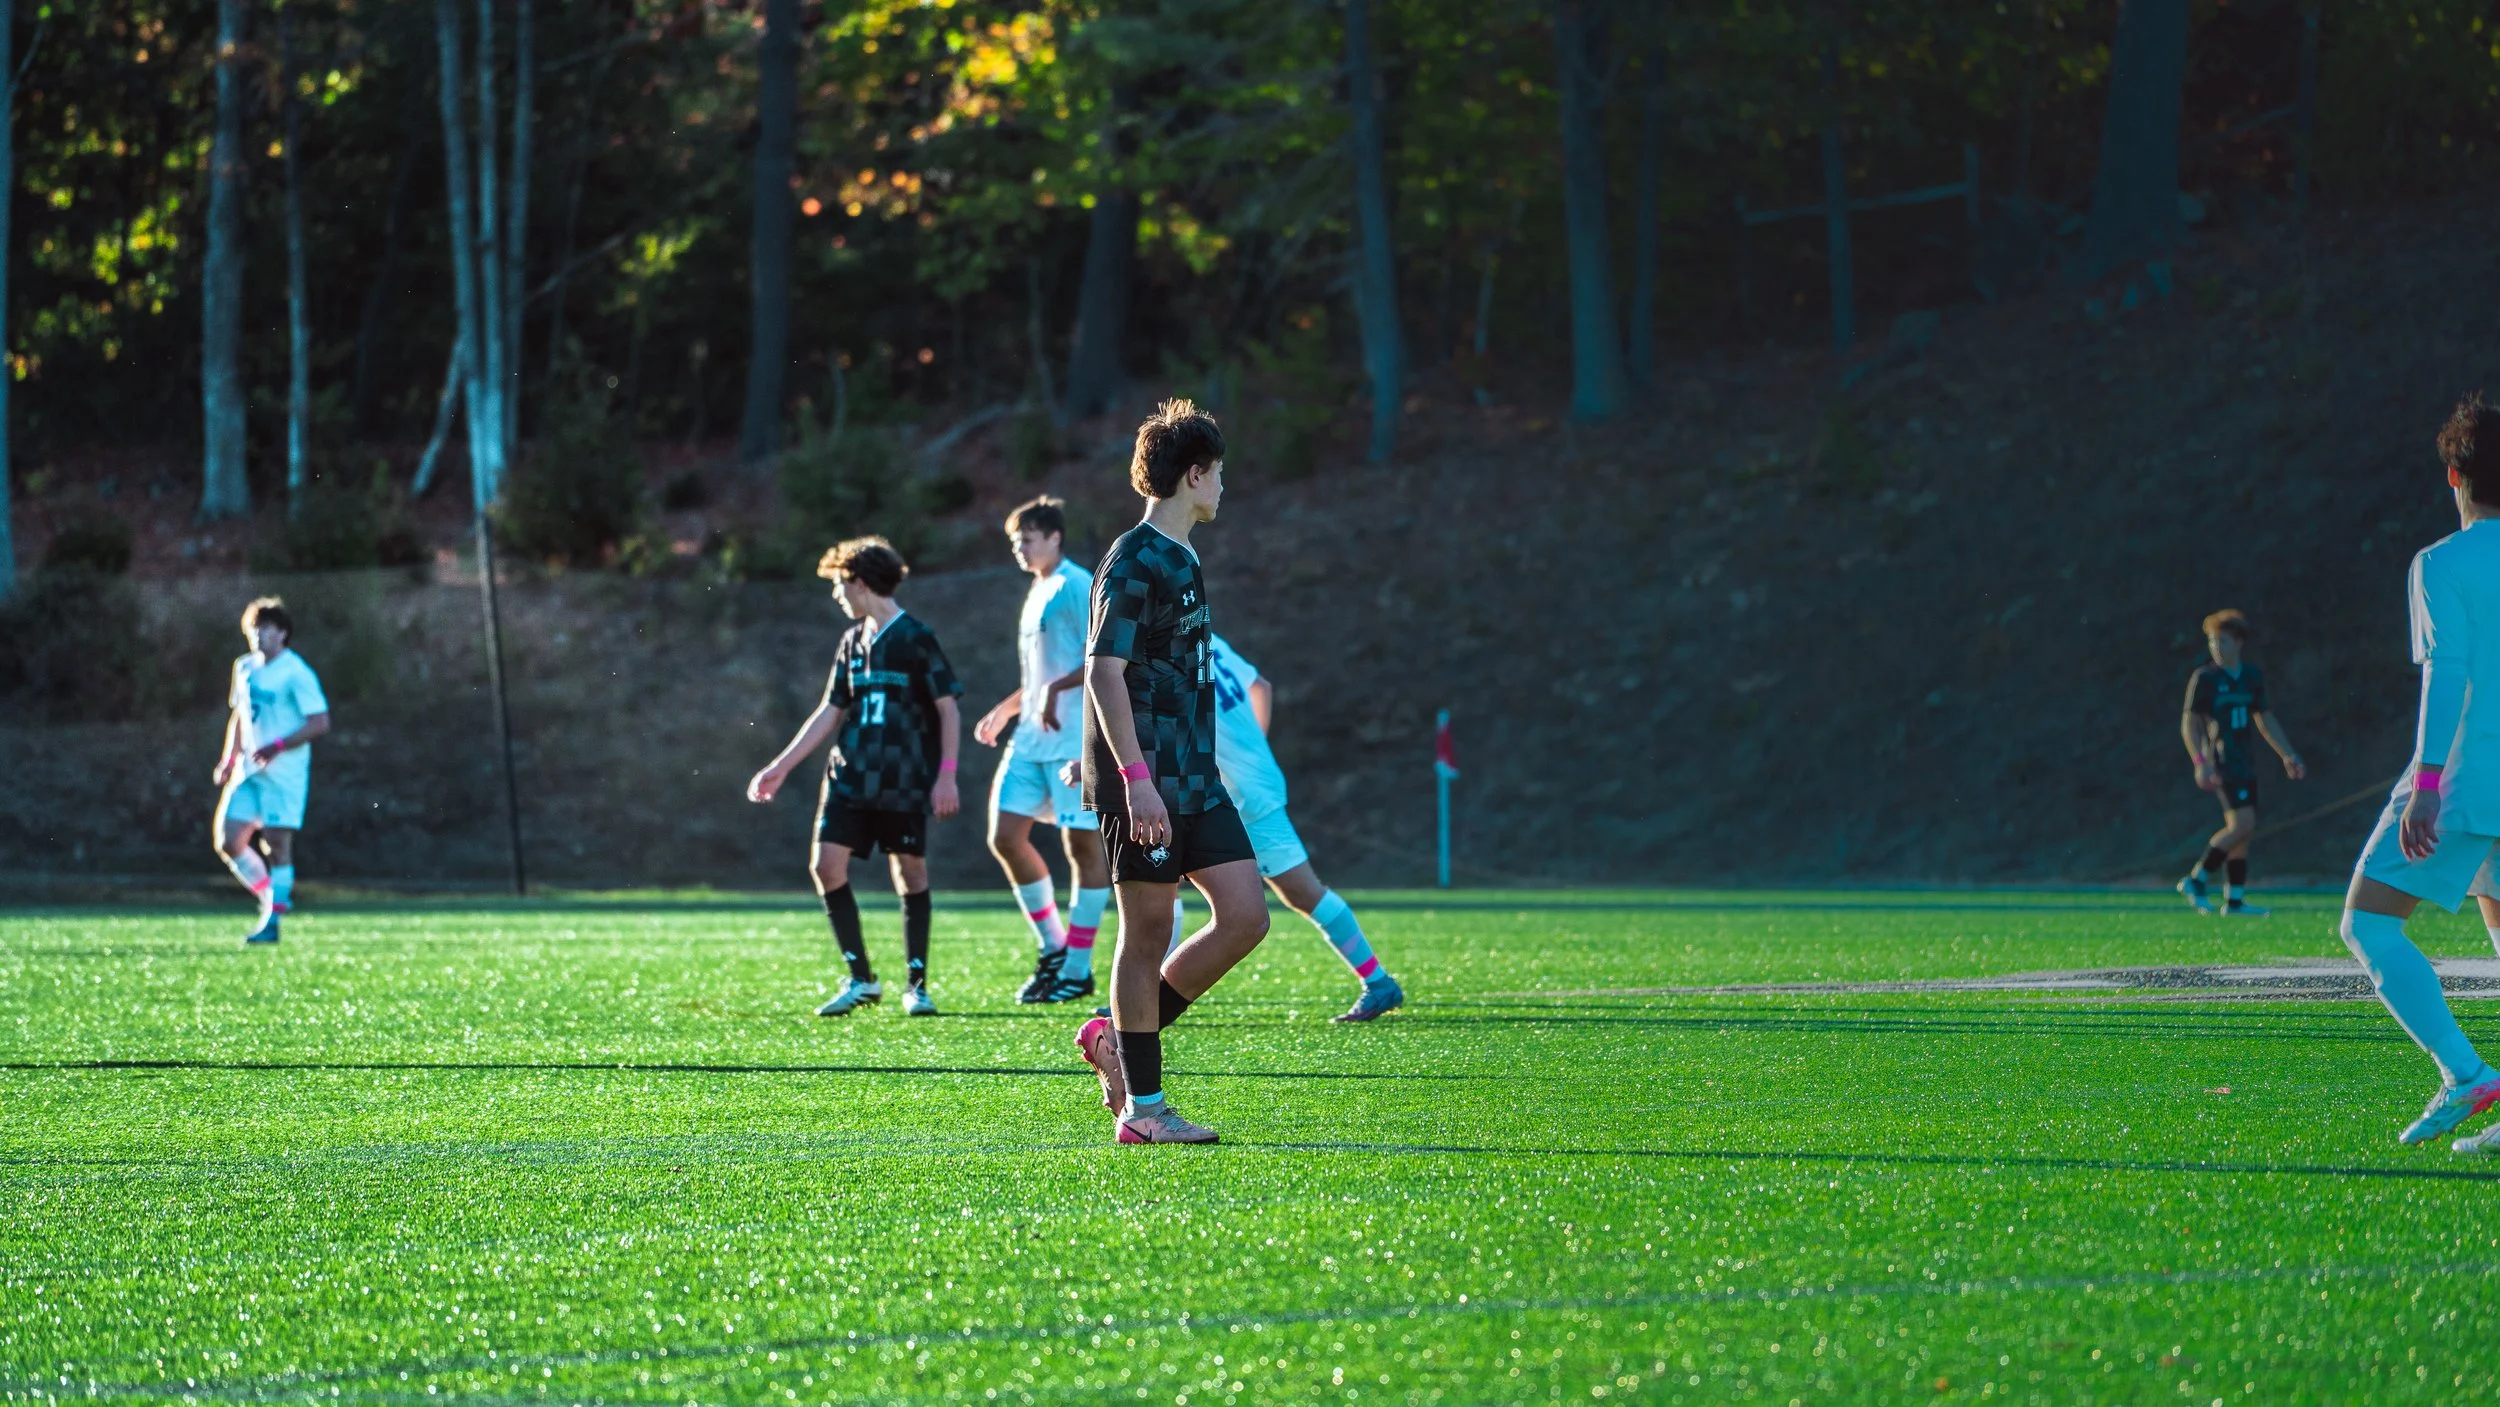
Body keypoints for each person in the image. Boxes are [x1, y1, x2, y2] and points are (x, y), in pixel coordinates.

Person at [1072, 399, 1269, 1145]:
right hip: (1145, 779)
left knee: (1246, 916)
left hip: (1194, 774)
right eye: (1217, 474)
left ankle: (1117, 1040)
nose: (1223, 487)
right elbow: (1103, 670)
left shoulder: (1184, 556)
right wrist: (1134, 777)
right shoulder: (1135, 558)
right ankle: (1144, 1110)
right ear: (1193, 475)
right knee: (1147, 930)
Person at [2338, 392, 2500, 1154]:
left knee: (2367, 922)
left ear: (2453, 475)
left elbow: (2449, 671)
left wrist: (2427, 786)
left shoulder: (2441, 562)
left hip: (2468, 780)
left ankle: (2465, 1072)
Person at [747, 537, 963, 1017]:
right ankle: (861, 978)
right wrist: (780, 766)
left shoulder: (916, 637)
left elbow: (948, 710)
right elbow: (830, 711)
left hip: (902, 780)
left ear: (860, 583)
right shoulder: (851, 642)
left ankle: (917, 984)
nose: (837, 595)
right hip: (848, 777)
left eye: (839, 585)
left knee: (910, 871)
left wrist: (946, 775)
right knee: (825, 866)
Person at [1202, 631, 1404, 1021]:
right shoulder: (1207, 638)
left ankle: (1379, 983)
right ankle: (1144, 994)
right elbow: (1261, 686)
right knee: (1165, 885)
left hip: (1242, 794)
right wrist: (1254, 746)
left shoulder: (1168, 644)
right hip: (1244, 785)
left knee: (1301, 891)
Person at [972, 496, 1112, 1004]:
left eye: (1027, 539)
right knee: (1005, 836)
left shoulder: (1077, 585)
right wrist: (1008, 708)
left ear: (1055, 537)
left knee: (1083, 849)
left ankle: (1076, 968)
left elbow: (1105, 657)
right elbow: (1040, 674)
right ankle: (1054, 948)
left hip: (1073, 739)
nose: (1020, 549)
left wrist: (1055, 692)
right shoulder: (1037, 590)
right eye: (1015, 541)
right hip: (1031, 739)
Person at [211, 597, 330, 945]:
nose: (257, 635)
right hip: (248, 770)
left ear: (282, 633)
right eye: (253, 629)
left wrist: (278, 745)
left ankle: (272, 921)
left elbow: (319, 722)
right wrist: (228, 758)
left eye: (264, 629)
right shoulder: (244, 667)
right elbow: (240, 716)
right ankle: (272, 898)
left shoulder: (296, 672)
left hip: (284, 773)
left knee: (276, 842)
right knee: (229, 841)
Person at [2176, 610, 2306, 915]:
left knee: (2242, 830)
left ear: (2238, 642)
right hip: (2221, 763)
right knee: (2243, 824)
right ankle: (2197, 879)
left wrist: (2287, 754)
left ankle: (2234, 900)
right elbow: (2190, 724)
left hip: (2244, 761)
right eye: (2212, 641)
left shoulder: (2251, 677)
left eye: (2222, 640)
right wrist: (2200, 761)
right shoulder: (2205, 678)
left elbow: (2265, 720)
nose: (2216, 647)